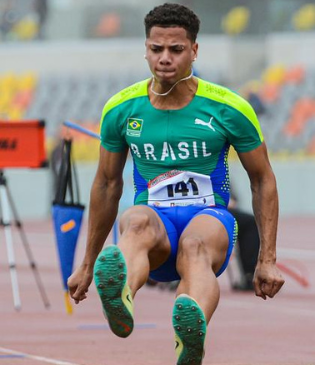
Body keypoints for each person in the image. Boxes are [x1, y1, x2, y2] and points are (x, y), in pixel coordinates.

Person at [65, 4, 284, 364]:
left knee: (195, 245)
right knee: (134, 221)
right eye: (156, 49)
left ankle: (190, 329)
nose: (165, 59)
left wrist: (267, 260)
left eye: (176, 50)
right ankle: (121, 295)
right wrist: (88, 264)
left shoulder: (229, 108)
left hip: (208, 216)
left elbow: (263, 180)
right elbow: (106, 185)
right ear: (146, 48)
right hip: (155, 227)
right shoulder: (122, 109)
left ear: (194, 50)